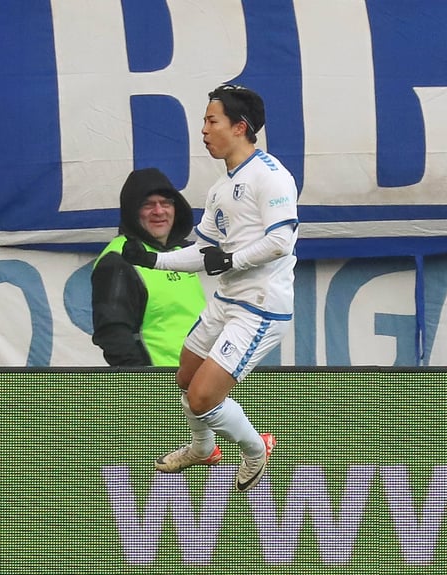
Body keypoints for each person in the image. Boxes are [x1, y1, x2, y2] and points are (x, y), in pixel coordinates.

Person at [123, 84, 298, 492]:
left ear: (239, 127)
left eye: (211, 120)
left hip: (259, 307)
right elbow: (205, 250)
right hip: (226, 300)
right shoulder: (221, 187)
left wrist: (232, 260)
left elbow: (280, 241)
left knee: (203, 398)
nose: (203, 130)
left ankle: (256, 449)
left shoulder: (271, 176)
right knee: (185, 378)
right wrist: (153, 260)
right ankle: (203, 448)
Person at [90, 168, 206, 367]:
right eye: (148, 205)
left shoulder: (181, 253)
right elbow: (112, 334)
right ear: (132, 212)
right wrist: (144, 380)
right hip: (157, 381)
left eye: (166, 203)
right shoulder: (118, 260)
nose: (159, 211)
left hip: (198, 378)